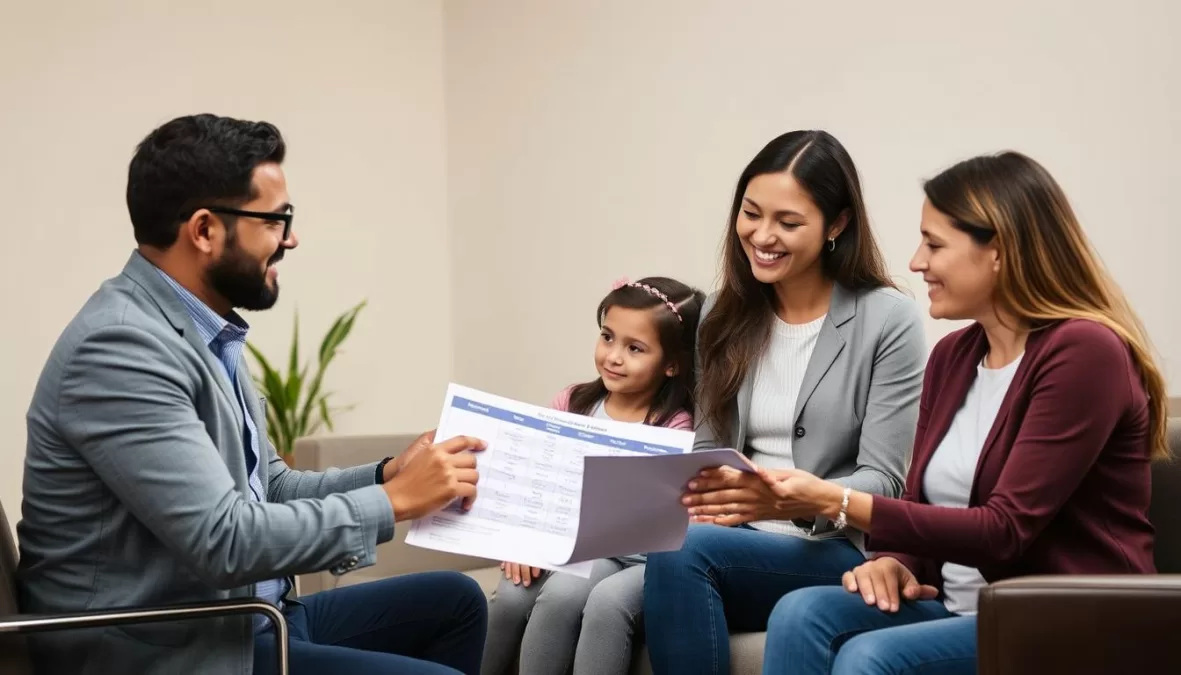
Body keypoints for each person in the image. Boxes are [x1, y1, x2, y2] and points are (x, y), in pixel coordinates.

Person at [17, 114, 489, 675]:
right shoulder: (120, 348)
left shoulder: (203, 328)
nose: (290, 238)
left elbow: (273, 485)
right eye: (275, 220)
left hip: (245, 618)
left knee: (456, 603)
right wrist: (397, 501)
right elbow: (224, 541)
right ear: (204, 230)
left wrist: (386, 475)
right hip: (159, 647)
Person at [735, 151, 1167, 675]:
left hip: (1070, 620)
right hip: (962, 606)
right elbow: (921, 501)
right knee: (802, 612)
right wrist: (896, 561)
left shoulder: (1084, 352)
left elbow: (1004, 530)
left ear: (999, 252)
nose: (917, 262)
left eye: (935, 244)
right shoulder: (954, 356)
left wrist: (836, 499)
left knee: (871, 658)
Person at [642, 130, 927, 675]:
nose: (762, 235)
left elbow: (885, 480)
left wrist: (789, 499)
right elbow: (707, 444)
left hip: (835, 546)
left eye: (788, 223)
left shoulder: (888, 318)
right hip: (731, 537)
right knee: (606, 587)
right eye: (751, 213)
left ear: (836, 225)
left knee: (682, 553)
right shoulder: (725, 310)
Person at [480, 276, 705, 675]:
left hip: (625, 555)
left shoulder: (674, 428)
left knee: (563, 596)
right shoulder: (572, 403)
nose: (613, 356)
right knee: (512, 598)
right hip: (559, 542)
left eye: (634, 348)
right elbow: (536, 483)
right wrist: (522, 543)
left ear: (672, 364)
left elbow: (659, 524)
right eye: (607, 337)